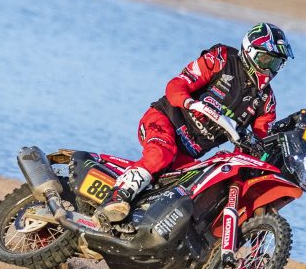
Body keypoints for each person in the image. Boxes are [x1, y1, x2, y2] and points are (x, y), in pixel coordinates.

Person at [96, 22, 294, 224]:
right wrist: (190, 103)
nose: (269, 69)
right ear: (250, 51)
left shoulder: (266, 101)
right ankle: (115, 199)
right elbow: (175, 85)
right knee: (160, 155)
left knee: (195, 191)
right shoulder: (221, 59)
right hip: (163, 120)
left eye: (276, 63)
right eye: (266, 60)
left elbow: (261, 139)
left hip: (188, 154)